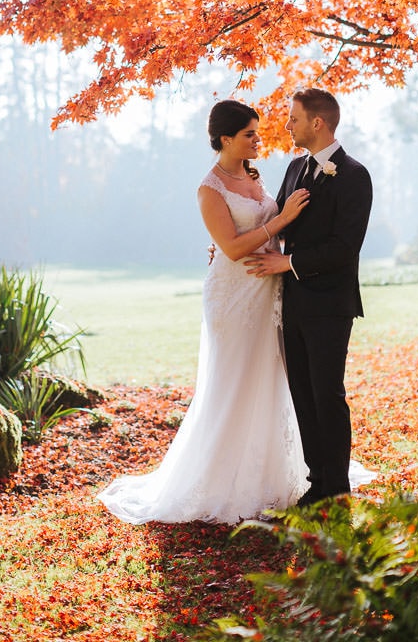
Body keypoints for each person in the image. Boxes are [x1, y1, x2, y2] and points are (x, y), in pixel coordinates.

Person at [96, 99, 312, 524]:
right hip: (233, 299)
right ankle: (221, 482)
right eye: (250, 133)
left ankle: (270, 474)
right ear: (226, 138)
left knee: (267, 379)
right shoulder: (208, 188)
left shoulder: (253, 175)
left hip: (266, 291)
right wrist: (281, 220)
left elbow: (245, 234)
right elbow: (231, 248)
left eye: (257, 132)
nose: (258, 139)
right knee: (233, 384)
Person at [245, 88, 373, 505]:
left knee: (326, 393)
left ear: (317, 123)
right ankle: (317, 480)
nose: (287, 126)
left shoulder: (354, 175)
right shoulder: (294, 167)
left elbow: (344, 247)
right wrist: (233, 242)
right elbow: (276, 220)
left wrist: (289, 263)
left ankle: (336, 485)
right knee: (302, 392)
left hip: (330, 306)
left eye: (293, 119)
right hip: (292, 304)